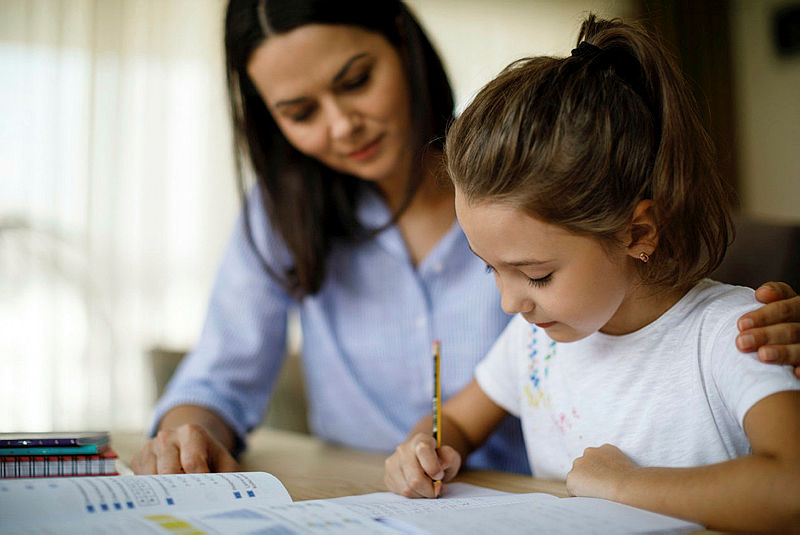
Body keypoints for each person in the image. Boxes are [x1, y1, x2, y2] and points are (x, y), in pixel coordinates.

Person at [132, 0, 800, 477]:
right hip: (377, 495)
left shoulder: (527, 174)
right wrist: (187, 432)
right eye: (299, 113)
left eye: (356, 81)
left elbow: (673, 293)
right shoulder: (278, 216)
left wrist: (763, 329)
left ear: (400, 38)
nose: (341, 126)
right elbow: (219, 378)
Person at [383, 14, 800, 532]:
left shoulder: (735, 333)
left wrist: (622, 488)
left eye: (535, 275)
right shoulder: (534, 344)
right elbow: (460, 422)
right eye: (490, 268)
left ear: (638, 234)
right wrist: (423, 447)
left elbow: (790, 490)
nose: (510, 303)